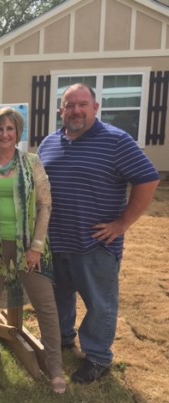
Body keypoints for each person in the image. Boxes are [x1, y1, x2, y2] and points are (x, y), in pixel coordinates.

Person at [38, 83, 160, 384]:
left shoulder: (117, 141)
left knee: (99, 304)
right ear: (61, 111)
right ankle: (64, 340)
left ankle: (97, 357)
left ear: (95, 108)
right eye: (69, 105)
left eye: (82, 104)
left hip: (95, 243)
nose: (76, 110)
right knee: (58, 298)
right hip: (56, 241)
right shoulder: (48, 144)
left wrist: (122, 223)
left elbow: (148, 180)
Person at [0, 107, 66, 394]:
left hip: (28, 248)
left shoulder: (32, 162)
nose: (5, 134)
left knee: (46, 305)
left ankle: (56, 368)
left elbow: (45, 204)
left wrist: (36, 247)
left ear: (17, 133)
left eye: (10, 129)